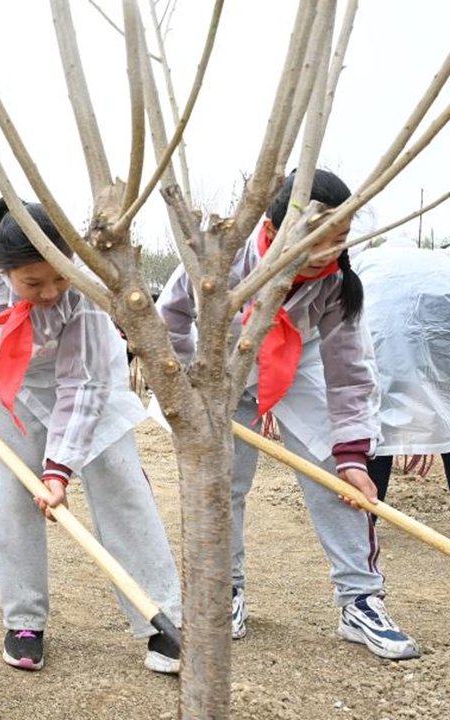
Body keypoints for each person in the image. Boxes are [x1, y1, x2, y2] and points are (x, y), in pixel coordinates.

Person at [0, 198, 182, 674]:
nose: (51, 291)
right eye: (33, 283)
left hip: (92, 384)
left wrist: (58, 469)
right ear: (2, 270)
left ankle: (161, 619)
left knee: (123, 489)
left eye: (58, 276)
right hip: (11, 388)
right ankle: (25, 621)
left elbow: (83, 383)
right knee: (15, 497)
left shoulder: (84, 287)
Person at [157, 169, 420, 660]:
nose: (333, 253)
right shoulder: (226, 255)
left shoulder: (337, 283)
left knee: (337, 481)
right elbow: (169, 316)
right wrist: (188, 384)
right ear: (275, 232)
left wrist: (353, 455)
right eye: (322, 241)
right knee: (223, 483)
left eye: (342, 239)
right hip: (221, 369)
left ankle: (360, 599)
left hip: (300, 363)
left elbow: (349, 372)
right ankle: (225, 592)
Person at [353, 237, 450, 499]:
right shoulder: (439, 261)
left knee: (376, 434)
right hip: (436, 358)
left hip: (377, 354)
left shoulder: (365, 260)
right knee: (446, 422)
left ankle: (366, 526)